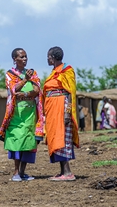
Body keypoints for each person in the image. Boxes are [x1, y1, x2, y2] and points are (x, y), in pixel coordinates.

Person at [0, 48, 44, 182]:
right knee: (17, 141)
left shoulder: (32, 73)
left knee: (29, 142)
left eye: (26, 57)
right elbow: (13, 90)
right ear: (15, 59)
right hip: (16, 113)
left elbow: (37, 90)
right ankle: (16, 172)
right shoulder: (10, 74)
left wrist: (25, 94)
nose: (25, 59)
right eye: (21, 57)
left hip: (30, 113)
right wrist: (25, 80)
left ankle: (23, 172)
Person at [43, 46, 79, 181]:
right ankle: (62, 171)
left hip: (62, 108)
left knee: (62, 138)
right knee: (55, 137)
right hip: (52, 109)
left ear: (53, 57)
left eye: (48, 56)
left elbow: (71, 93)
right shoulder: (53, 73)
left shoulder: (67, 71)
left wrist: (68, 113)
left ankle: (68, 173)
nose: (47, 58)